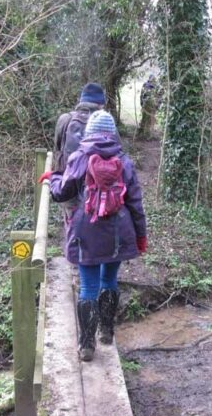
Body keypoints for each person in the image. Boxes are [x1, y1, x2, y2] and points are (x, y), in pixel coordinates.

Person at [51, 110, 147, 361]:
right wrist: (140, 235)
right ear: (113, 133)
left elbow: (61, 193)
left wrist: (54, 177)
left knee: (88, 287)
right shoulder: (124, 161)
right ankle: (106, 331)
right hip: (118, 232)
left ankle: (86, 345)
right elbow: (135, 203)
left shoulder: (78, 158)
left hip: (87, 232)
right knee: (109, 280)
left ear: (89, 132)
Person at [51, 82, 106, 176]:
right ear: (101, 105)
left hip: (67, 177)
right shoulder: (106, 122)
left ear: (81, 101)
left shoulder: (65, 119)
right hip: (96, 181)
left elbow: (57, 149)